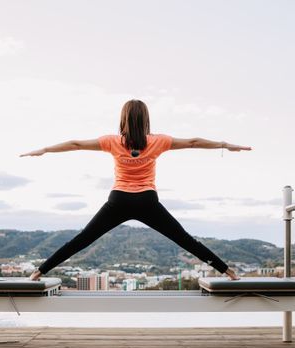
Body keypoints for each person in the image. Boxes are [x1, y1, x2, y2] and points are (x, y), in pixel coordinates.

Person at [20, 99, 252, 281]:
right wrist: (226, 145)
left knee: (82, 239)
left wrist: (44, 150)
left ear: (123, 119)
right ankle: (228, 271)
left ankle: (39, 272)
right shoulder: (158, 141)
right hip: (147, 201)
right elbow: (193, 142)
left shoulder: (112, 141)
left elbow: (75, 144)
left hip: (118, 200)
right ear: (146, 119)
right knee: (185, 240)